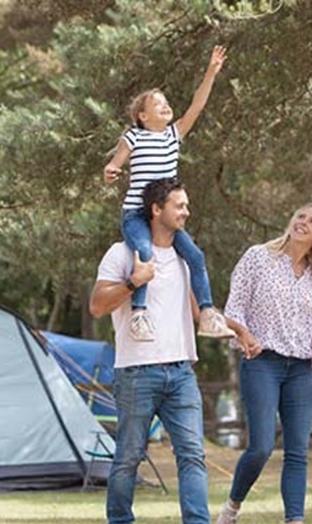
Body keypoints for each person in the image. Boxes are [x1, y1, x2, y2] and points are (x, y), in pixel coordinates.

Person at [90, 178, 237, 524]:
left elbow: (194, 312)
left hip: (182, 370)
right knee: (129, 455)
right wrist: (133, 282)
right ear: (156, 210)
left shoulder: (187, 260)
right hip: (137, 371)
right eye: (179, 205)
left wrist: (240, 332)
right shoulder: (122, 253)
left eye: (187, 205)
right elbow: (97, 305)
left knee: (192, 455)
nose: (186, 211)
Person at [211, 203, 312, 524]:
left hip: (300, 370)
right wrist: (244, 335)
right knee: (260, 447)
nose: (303, 222)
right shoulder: (259, 257)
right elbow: (233, 310)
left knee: (298, 452)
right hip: (262, 362)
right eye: (300, 216)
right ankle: (229, 514)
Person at [103, 45, 233, 343]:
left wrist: (211, 71)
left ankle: (208, 314)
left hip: (167, 218)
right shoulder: (133, 136)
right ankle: (139, 314)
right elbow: (115, 163)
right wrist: (111, 171)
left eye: (166, 103)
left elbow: (196, 107)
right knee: (145, 255)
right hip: (137, 213)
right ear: (142, 115)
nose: (165, 106)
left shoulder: (174, 135)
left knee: (196, 257)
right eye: (157, 104)